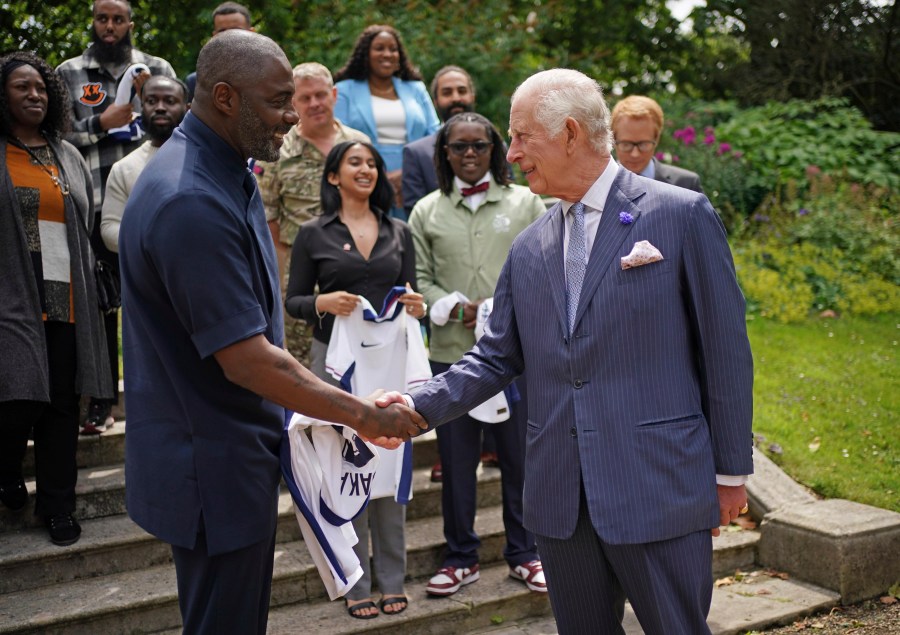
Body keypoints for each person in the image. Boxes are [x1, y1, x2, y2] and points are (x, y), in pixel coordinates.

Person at [379, 69, 754, 634]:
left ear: (571, 133)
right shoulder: (529, 246)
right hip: (559, 500)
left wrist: (730, 471)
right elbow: (495, 357)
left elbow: (725, 351)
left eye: (522, 136)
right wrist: (417, 406)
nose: (513, 152)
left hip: (657, 486)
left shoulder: (679, 215)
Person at [118, 31, 425, 634]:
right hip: (210, 463)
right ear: (226, 97)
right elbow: (249, 360)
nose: (294, 114)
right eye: (279, 100)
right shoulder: (190, 199)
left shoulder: (224, 169)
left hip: (229, 452)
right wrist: (362, 414)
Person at [284, 140, 426, 618]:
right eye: (355, 163)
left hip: (388, 361)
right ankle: (354, 579)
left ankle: (392, 578)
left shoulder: (399, 231)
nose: (366, 170)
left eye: (372, 164)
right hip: (338, 363)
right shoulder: (312, 233)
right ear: (333, 177)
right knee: (349, 462)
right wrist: (323, 303)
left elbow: (410, 293)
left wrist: (418, 308)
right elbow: (293, 301)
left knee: (391, 456)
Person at [408, 112, 547, 597]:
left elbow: (546, 270)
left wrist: (497, 308)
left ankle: (524, 552)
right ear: (444, 154)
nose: (469, 154)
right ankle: (460, 556)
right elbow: (418, 281)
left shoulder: (527, 203)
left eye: (479, 146)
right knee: (457, 462)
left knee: (518, 459)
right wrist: (445, 304)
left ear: (494, 149)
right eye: (459, 147)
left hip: (516, 356)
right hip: (451, 355)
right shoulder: (425, 211)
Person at [0, 52, 112, 546]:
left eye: (42, 88)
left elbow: (84, 225)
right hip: (9, 295)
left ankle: (58, 506)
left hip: (64, 293)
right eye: (22, 87)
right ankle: (6, 471)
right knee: (17, 396)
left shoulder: (64, 153)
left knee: (62, 406)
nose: (34, 95)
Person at [56, 0, 176, 435]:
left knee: (161, 300)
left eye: (118, 19)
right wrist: (99, 124)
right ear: (93, 20)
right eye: (102, 19)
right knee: (102, 304)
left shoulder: (155, 66)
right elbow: (50, 131)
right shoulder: (69, 72)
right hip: (92, 203)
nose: (110, 27)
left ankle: (165, 389)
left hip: (153, 201)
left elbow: (174, 118)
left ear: (130, 23)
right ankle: (101, 401)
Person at [256, 62, 369, 366]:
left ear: (334, 95)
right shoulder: (276, 151)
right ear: (293, 102)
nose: (315, 104)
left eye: (321, 95)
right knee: (304, 369)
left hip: (355, 275)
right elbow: (268, 222)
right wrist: (280, 285)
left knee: (362, 366)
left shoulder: (359, 145)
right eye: (305, 98)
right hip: (301, 281)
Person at [333, 24, 440, 220]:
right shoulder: (344, 90)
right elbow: (339, 137)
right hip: (363, 179)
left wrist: (406, 173)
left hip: (415, 179)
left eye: (393, 49)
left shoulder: (416, 89)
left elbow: (435, 135)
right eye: (379, 48)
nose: (387, 54)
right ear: (366, 54)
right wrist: (379, 175)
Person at [100, 75, 188, 252]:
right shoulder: (124, 168)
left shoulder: (208, 159)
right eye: (151, 101)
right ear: (142, 108)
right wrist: (154, 243)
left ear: (187, 108)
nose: (160, 108)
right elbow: (110, 228)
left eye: (170, 101)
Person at [401, 65, 476, 216]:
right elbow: (414, 215)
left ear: (472, 96)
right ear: (435, 101)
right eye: (447, 93)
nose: (456, 98)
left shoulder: (497, 145)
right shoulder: (416, 153)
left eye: (462, 91)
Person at [611, 95, 703, 192]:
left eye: (643, 144)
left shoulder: (686, 185)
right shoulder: (597, 184)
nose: (635, 154)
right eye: (626, 145)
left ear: (656, 139)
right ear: (613, 139)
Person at [185, 2, 255, 102]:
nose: (229, 35)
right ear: (214, 35)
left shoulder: (271, 75)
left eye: (236, 30)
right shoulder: (196, 82)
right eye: (222, 31)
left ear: (251, 33)